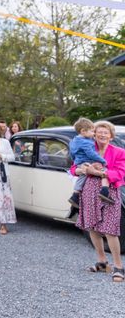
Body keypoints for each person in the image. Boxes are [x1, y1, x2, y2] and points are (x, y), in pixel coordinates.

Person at [73, 121, 125, 283]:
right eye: (99, 132)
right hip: (88, 190)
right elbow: (74, 168)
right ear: (94, 133)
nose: (102, 135)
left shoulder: (119, 152)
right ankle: (102, 262)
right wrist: (83, 170)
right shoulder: (88, 147)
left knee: (111, 230)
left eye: (106, 132)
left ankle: (118, 267)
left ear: (111, 135)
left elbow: (120, 173)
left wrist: (102, 173)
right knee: (92, 227)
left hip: (109, 191)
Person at [68, 118, 111, 210]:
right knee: (103, 170)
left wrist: (76, 161)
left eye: (106, 133)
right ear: (83, 131)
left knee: (85, 175)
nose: (94, 134)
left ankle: (75, 195)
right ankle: (104, 191)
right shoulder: (86, 142)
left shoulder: (75, 140)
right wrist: (102, 160)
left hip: (81, 162)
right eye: (93, 131)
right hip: (86, 162)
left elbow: (72, 153)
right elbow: (91, 154)